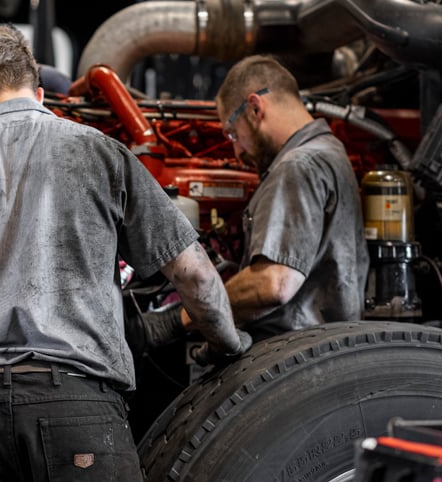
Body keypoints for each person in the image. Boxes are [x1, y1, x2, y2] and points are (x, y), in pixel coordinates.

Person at [0, 25, 248, 482]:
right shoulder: (104, 154)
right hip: (78, 409)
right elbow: (197, 277)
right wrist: (229, 347)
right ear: (39, 93)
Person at [132, 55, 368, 347]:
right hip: (321, 350)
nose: (236, 152)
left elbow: (273, 283)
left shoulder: (298, 165)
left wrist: (178, 318)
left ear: (255, 108)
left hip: (290, 355)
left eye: (232, 133)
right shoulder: (330, 151)